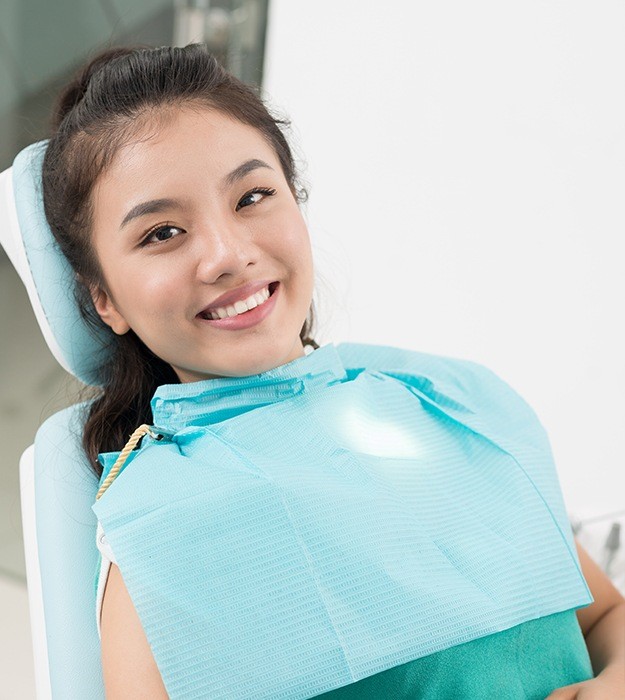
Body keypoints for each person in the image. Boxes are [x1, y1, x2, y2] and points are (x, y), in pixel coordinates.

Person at [40, 44, 624, 699]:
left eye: (253, 196)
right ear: (106, 300)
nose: (227, 255)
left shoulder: (433, 404)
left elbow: (604, 615)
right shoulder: (163, 531)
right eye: (161, 234)